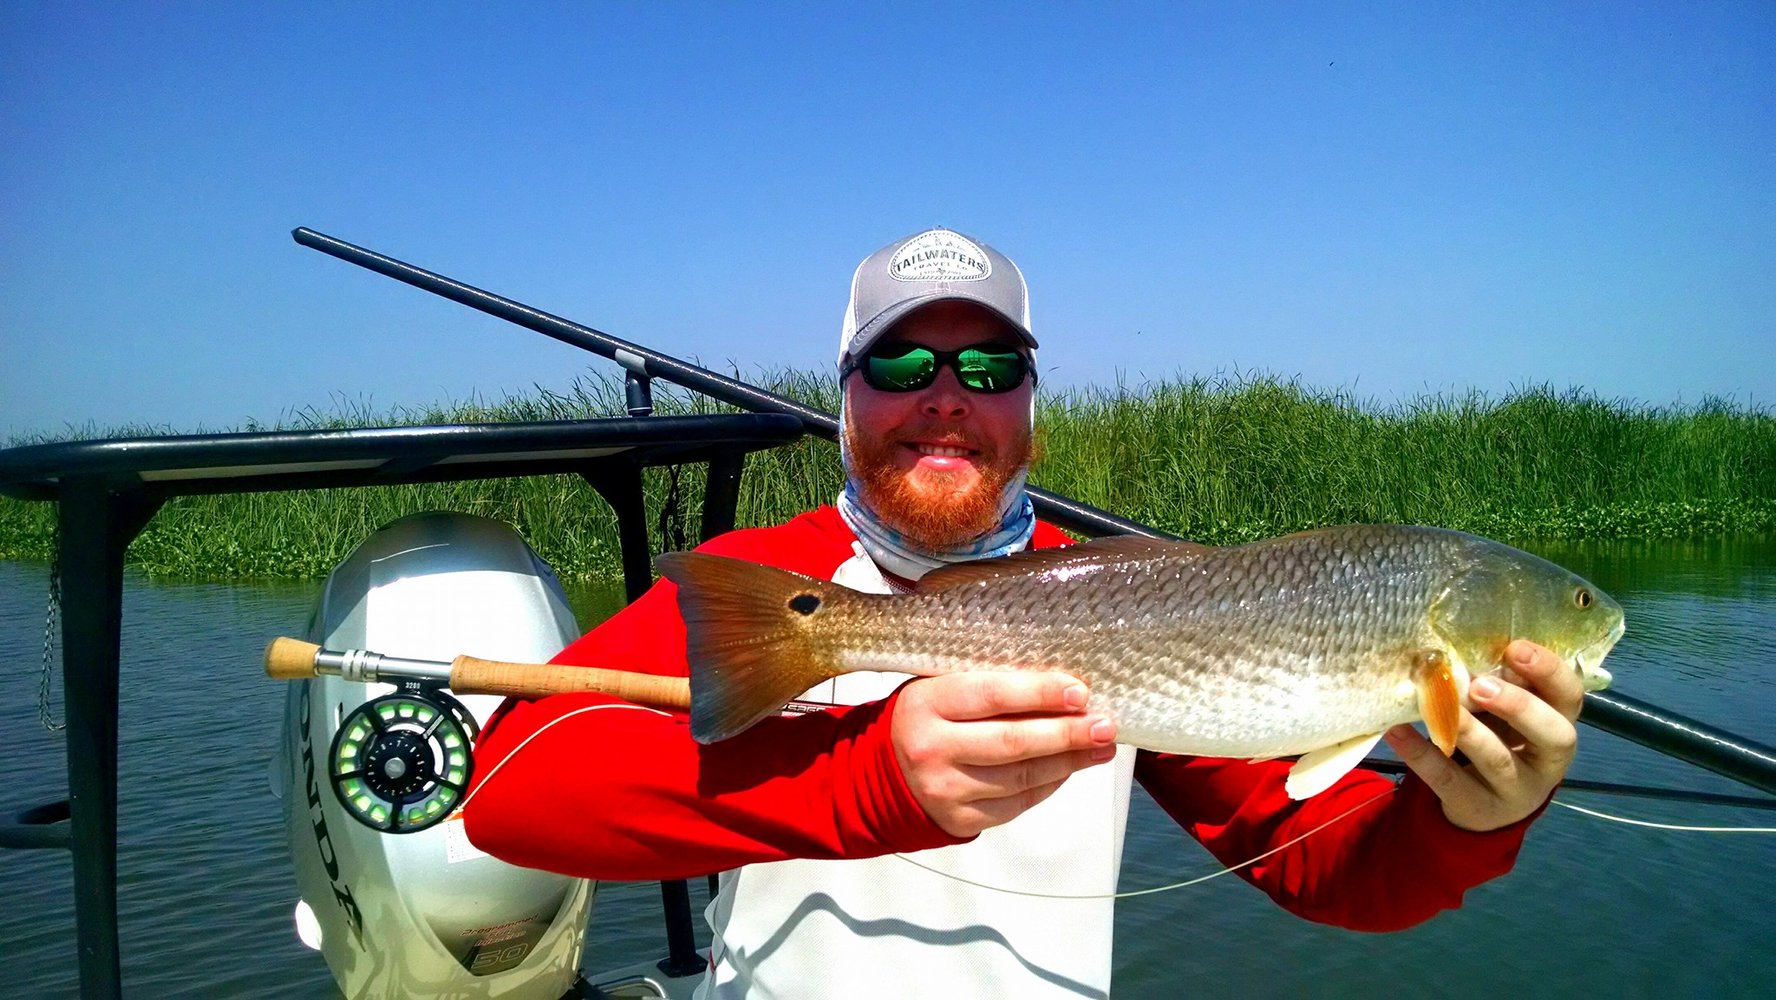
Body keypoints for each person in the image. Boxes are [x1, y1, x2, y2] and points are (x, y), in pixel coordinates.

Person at [463, 227, 1586, 999]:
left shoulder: (1136, 597)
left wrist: (1468, 822)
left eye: (990, 366)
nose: (946, 395)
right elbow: (508, 797)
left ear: (1030, 408)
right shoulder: (766, 574)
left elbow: (1324, 868)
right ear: (845, 393)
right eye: (902, 359)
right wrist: (867, 785)